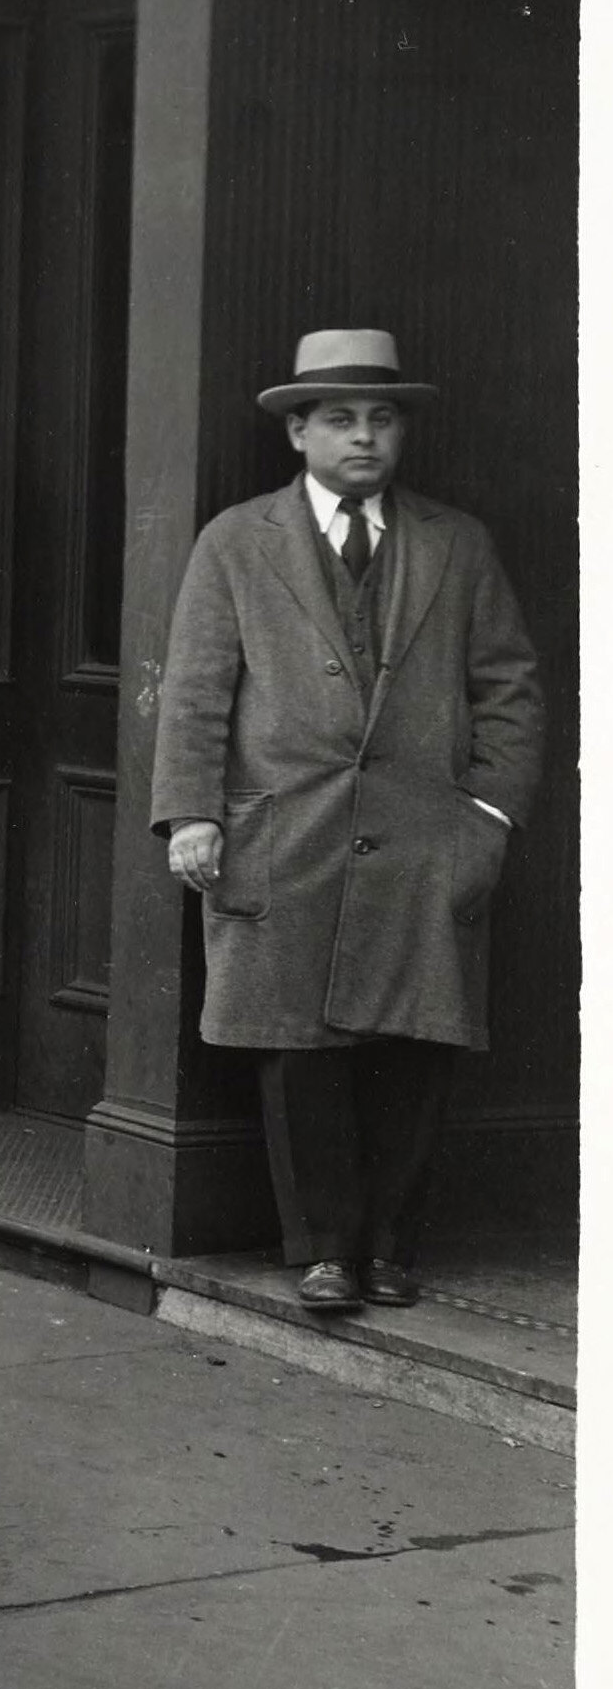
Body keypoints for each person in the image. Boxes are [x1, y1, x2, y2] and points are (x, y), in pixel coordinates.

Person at [149, 328, 543, 1316]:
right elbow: (196, 689)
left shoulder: (457, 543)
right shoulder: (238, 542)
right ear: (298, 432)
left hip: (424, 836)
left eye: (381, 418)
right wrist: (193, 814)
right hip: (284, 833)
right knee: (298, 1047)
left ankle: (392, 1247)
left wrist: (487, 813)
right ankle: (325, 1248)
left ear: (400, 431)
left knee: (415, 1042)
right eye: (338, 419)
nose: (362, 436)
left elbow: (511, 686)